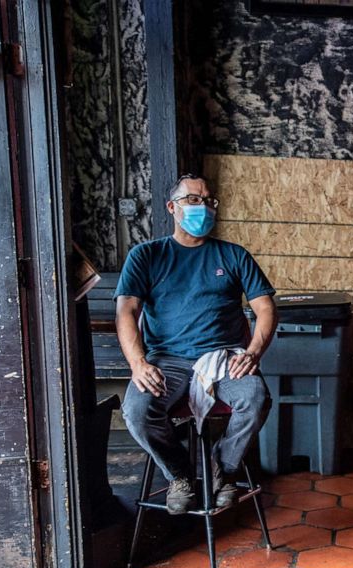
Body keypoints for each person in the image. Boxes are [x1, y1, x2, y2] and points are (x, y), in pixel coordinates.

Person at [115, 173, 278, 515]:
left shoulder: (233, 256)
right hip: (167, 359)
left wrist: (253, 352)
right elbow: (126, 311)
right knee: (137, 411)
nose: (202, 207)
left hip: (224, 357)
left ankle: (222, 467)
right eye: (193, 200)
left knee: (256, 398)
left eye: (208, 201)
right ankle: (180, 474)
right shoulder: (147, 256)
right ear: (172, 207)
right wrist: (138, 363)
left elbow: (265, 308)